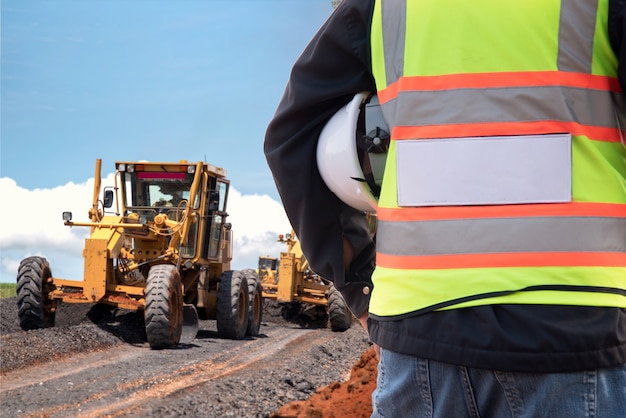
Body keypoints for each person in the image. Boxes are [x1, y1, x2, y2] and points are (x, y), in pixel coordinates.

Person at [264, 1, 626, 417]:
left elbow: (292, 137)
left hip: (417, 336)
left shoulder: (384, 7)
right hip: (573, 326)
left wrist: (360, 286)